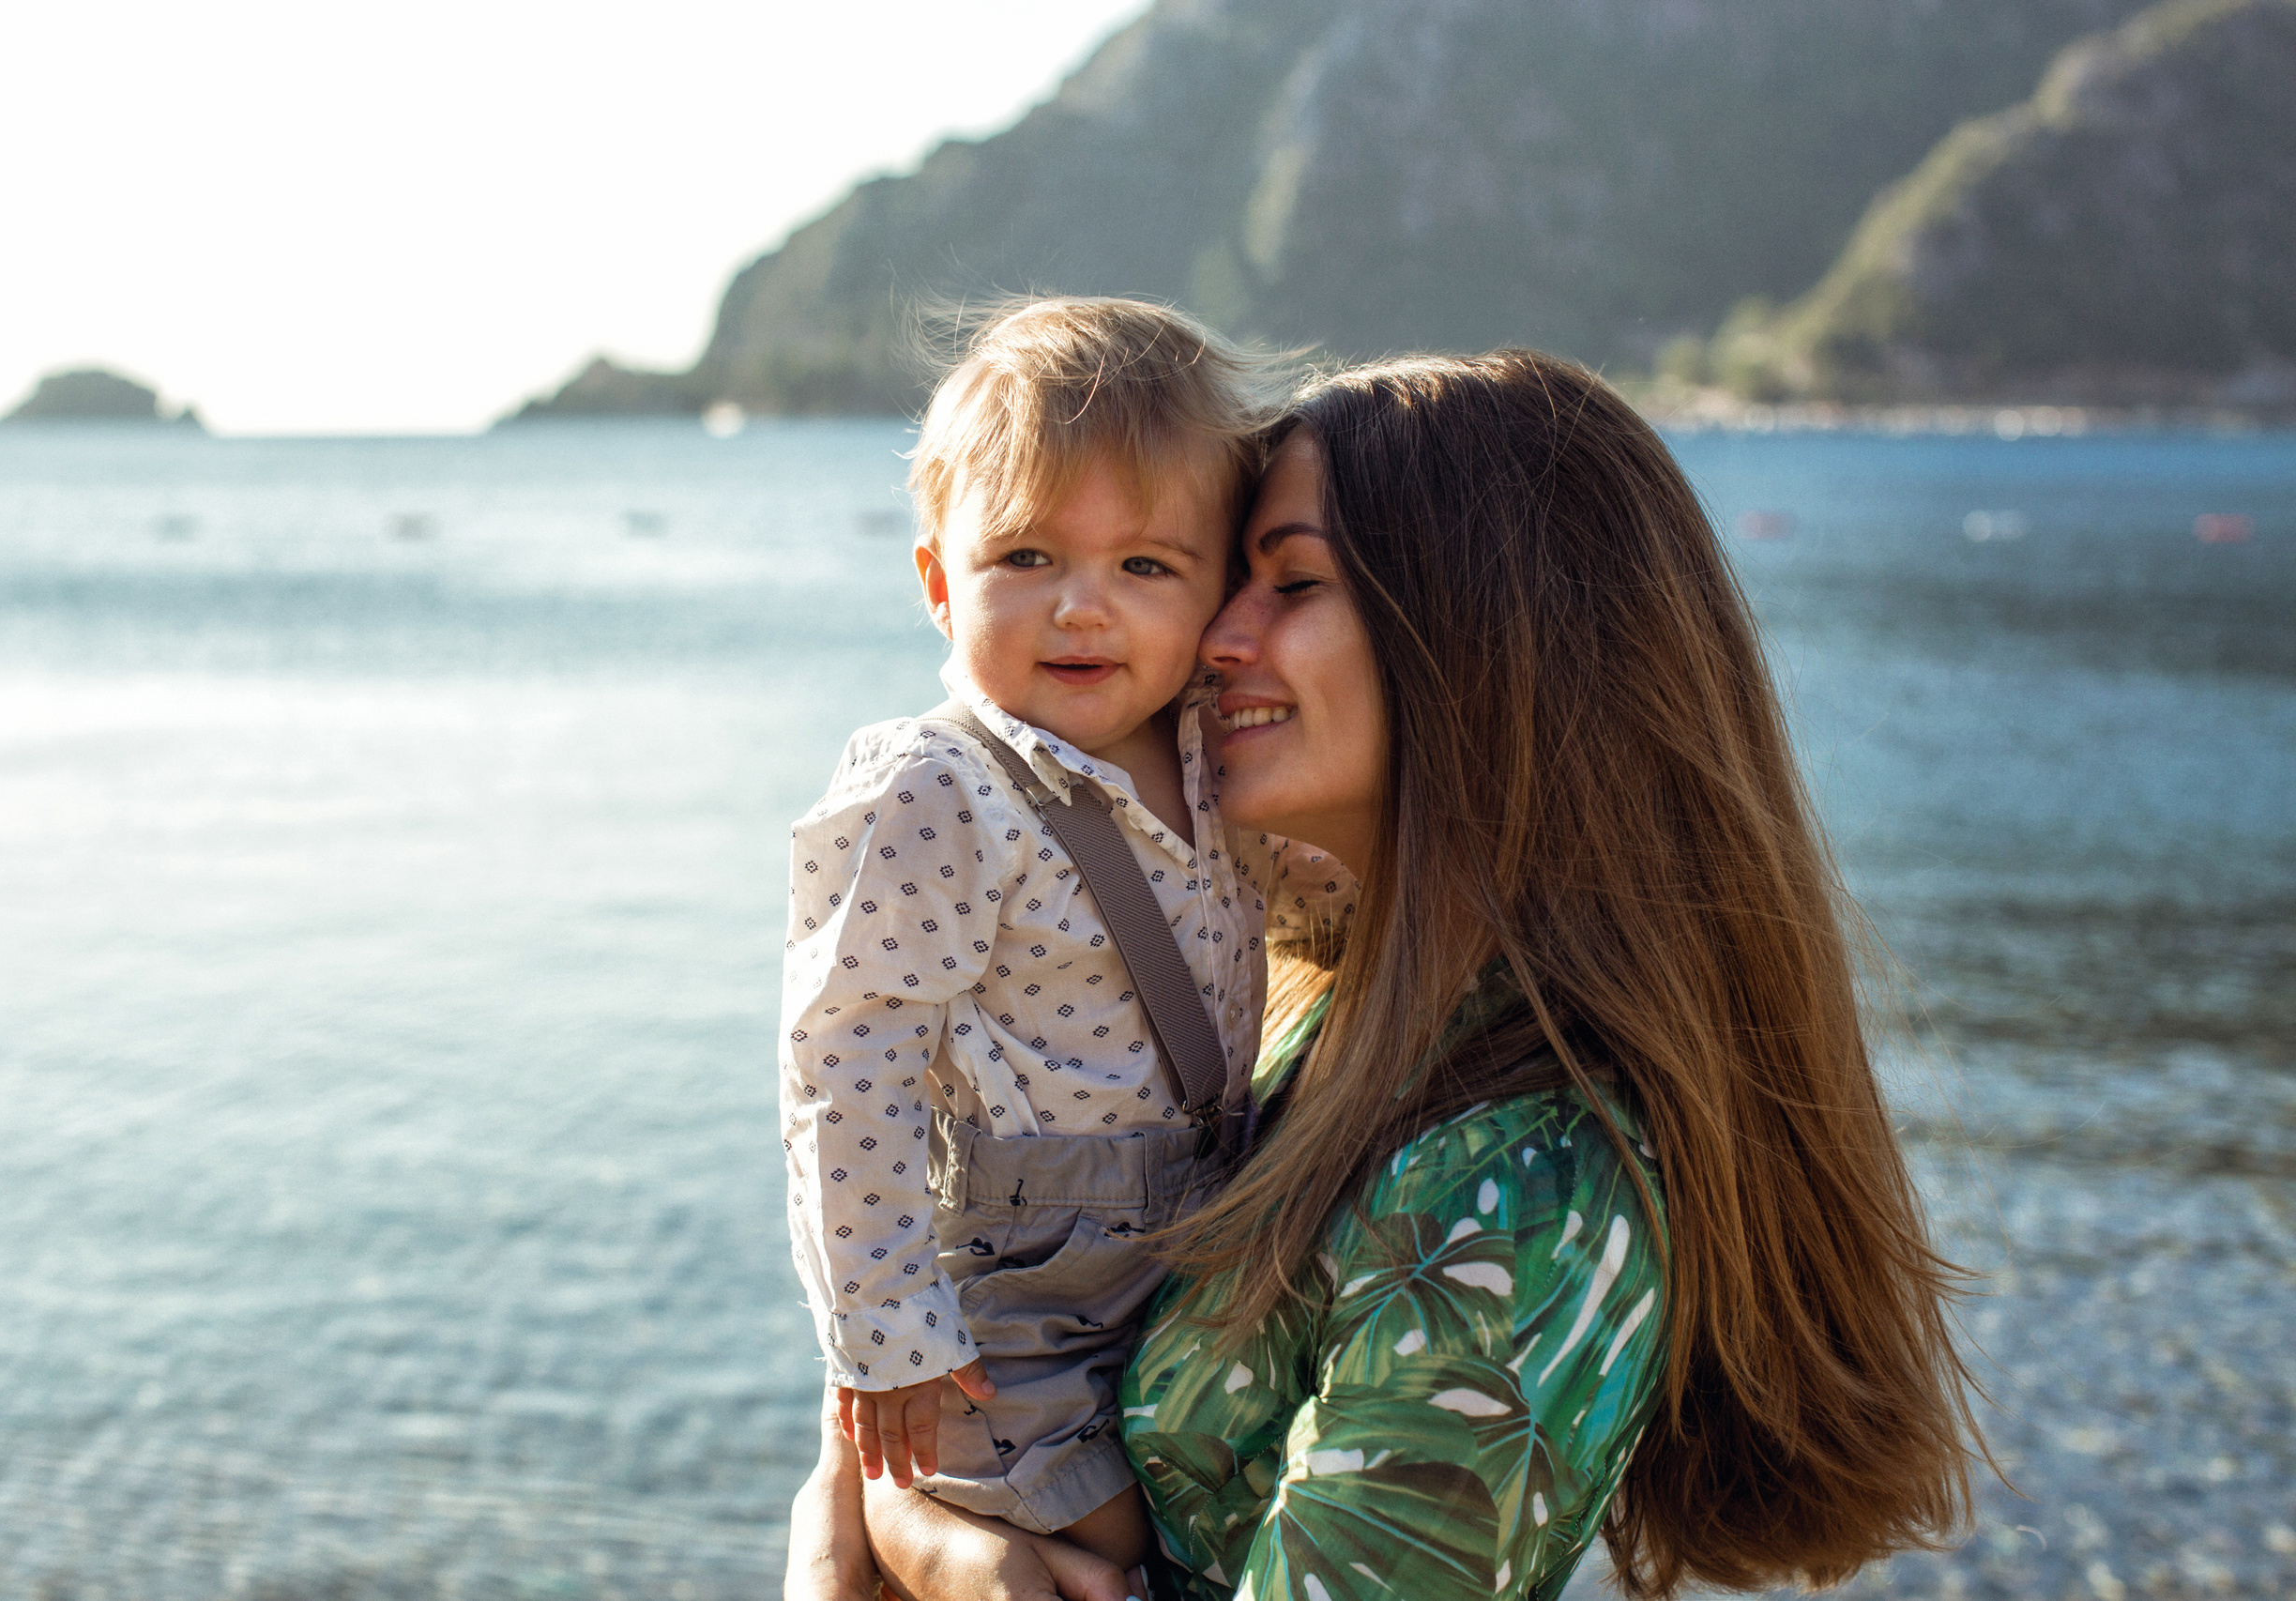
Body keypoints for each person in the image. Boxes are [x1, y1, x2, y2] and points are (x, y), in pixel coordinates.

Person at [789, 349, 1984, 1601]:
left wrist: (891, 1554)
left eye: (1288, 580)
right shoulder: (1317, 1008)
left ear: (1488, 637)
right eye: (1226, 575)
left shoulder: (1527, 1187)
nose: (1214, 638)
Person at [779, 297, 1288, 1577]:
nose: (1082, 609)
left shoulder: (1210, 758)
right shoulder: (940, 788)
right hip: (1016, 1281)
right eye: (1026, 558)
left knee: (1191, 1522)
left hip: (1182, 1238)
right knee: (1112, 1544)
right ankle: (917, 1532)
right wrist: (883, 1327)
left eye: (1145, 567)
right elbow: (849, 1061)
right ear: (940, 581)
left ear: (1217, 589)